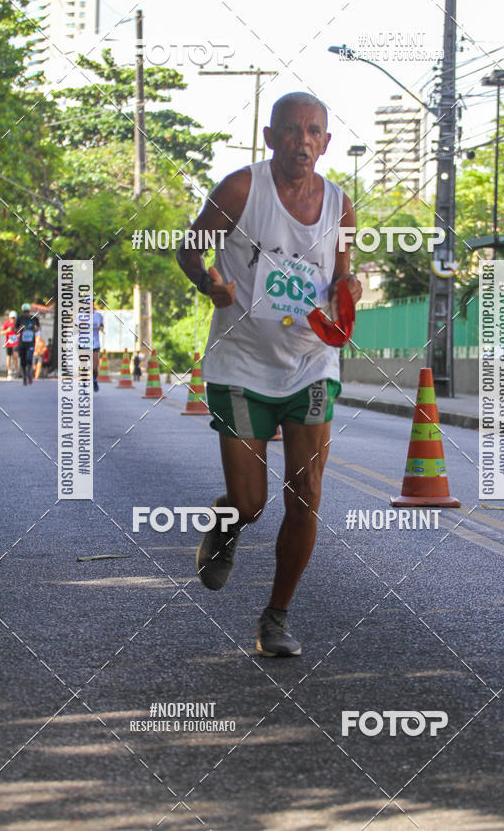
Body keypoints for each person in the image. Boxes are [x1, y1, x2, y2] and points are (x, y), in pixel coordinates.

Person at [177, 92, 361, 657]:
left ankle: (276, 618)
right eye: (290, 130)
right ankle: (228, 524)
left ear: (325, 143)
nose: (302, 140)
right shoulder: (241, 189)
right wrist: (209, 282)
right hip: (239, 364)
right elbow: (189, 249)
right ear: (269, 137)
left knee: (305, 494)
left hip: (309, 363)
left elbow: (343, 277)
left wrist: (347, 291)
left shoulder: (340, 207)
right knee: (252, 501)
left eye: (313, 131)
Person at [16, 303, 40, 386]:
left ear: (30, 311)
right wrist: (20, 328)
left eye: (28, 311)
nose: (26, 313)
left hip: (31, 343)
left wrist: (35, 328)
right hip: (22, 344)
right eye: (25, 312)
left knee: (29, 359)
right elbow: (16, 331)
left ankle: (29, 374)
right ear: (23, 312)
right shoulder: (20, 319)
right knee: (23, 361)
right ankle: (24, 377)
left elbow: (38, 329)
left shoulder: (34, 318)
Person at [2, 310, 19, 378]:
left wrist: (18, 334)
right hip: (9, 342)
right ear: (9, 318)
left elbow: (21, 331)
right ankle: (9, 371)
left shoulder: (18, 323)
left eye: (14, 318)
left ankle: (15, 370)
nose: (13, 319)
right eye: (12, 318)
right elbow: (1, 333)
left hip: (15, 342)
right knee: (8, 356)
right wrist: (7, 330)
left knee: (15, 356)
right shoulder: (6, 323)